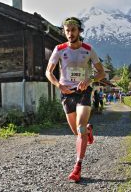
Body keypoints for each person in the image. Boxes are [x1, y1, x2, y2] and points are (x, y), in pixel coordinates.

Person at [45, 17, 105, 182]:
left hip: (84, 91)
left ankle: (77, 167)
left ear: (79, 31)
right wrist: (58, 85)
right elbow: (48, 72)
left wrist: (89, 80)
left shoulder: (88, 49)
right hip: (66, 92)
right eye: (67, 30)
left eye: (73, 30)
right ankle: (88, 130)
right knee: (77, 132)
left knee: (80, 129)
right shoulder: (59, 49)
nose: (70, 33)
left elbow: (101, 72)